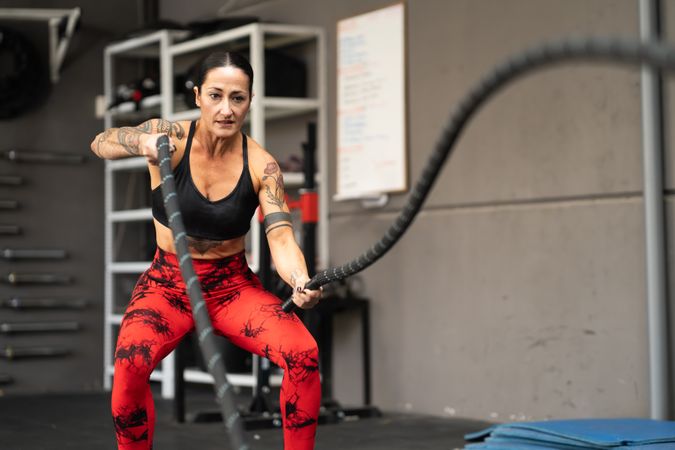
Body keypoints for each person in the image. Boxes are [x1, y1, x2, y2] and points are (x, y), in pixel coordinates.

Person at [91, 51, 322, 450]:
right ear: (197, 96)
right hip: (168, 285)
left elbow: (281, 236)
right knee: (130, 364)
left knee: (303, 353)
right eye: (215, 95)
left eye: (238, 98)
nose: (226, 109)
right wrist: (141, 142)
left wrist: (300, 279)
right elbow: (101, 141)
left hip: (231, 287)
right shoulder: (170, 139)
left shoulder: (262, 166)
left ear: (250, 101)